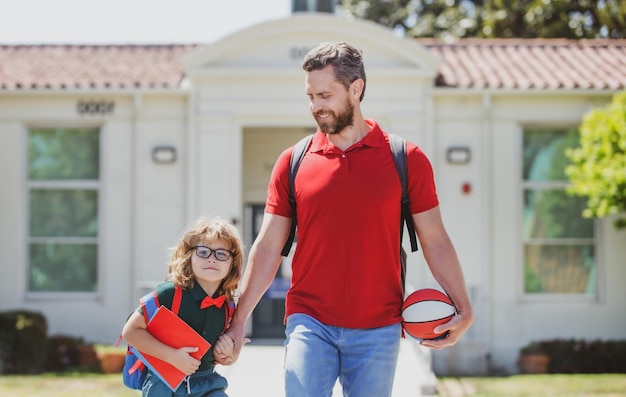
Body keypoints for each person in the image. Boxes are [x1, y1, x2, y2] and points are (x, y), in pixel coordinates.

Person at [226, 41, 474, 397]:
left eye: (325, 95)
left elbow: (435, 239)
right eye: (310, 96)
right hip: (309, 321)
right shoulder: (293, 162)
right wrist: (237, 323)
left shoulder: (406, 159)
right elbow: (266, 247)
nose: (316, 106)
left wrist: (463, 308)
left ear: (356, 89)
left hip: (379, 327)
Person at [122, 216, 245, 397]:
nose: (212, 259)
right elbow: (130, 332)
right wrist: (171, 356)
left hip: (207, 383)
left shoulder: (228, 306)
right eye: (203, 252)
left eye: (221, 253)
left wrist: (228, 355)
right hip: (163, 383)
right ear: (189, 256)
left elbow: (217, 353)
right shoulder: (170, 293)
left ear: (232, 264)